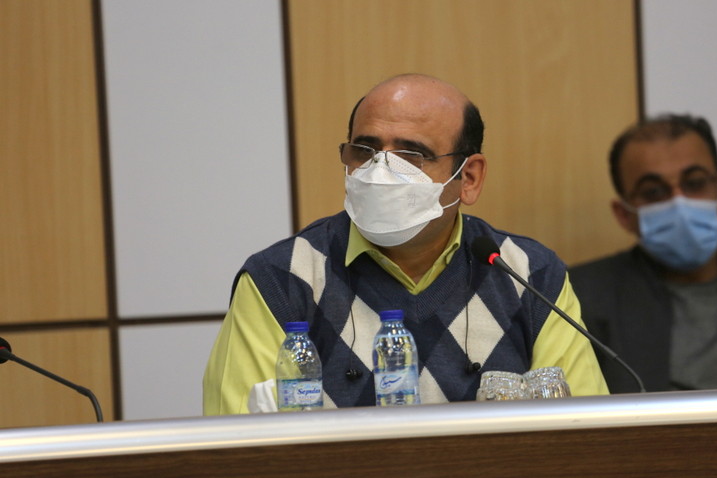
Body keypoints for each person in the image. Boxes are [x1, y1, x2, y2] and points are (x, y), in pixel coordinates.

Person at [204, 74, 608, 414]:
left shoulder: (528, 273)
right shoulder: (281, 279)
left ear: (468, 178)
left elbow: (584, 432)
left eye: (412, 154)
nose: (380, 170)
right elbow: (235, 449)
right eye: (364, 150)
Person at [570, 114, 717, 393]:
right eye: (654, 191)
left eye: (695, 183)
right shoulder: (579, 299)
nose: (679, 202)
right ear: (623, 214)